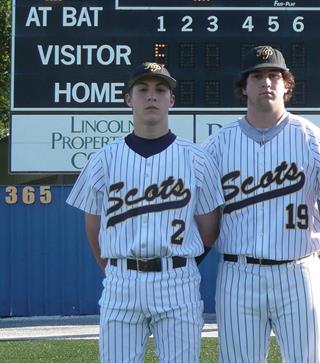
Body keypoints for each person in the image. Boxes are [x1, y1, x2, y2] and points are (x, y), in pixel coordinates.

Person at [66, 62, 224, 363]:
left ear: (171, 100)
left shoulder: (196, 159)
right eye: (143, 89)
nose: (152, 96)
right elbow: (93, 227)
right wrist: (116, 268)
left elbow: (209, 229)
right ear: (129, 99)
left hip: (177, 280)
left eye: (160, 90)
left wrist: (181, 263)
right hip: (120, 281)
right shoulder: (104, 159)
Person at [203, 45, 320, 362]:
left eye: (274, 75)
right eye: (257, 75)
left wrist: (307, 249)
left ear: (286, 85)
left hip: (299, 272)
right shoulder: (217, 145)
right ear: (244, 86)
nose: (266, 82)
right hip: (238, 273)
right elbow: (206, 217)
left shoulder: (313, 140)